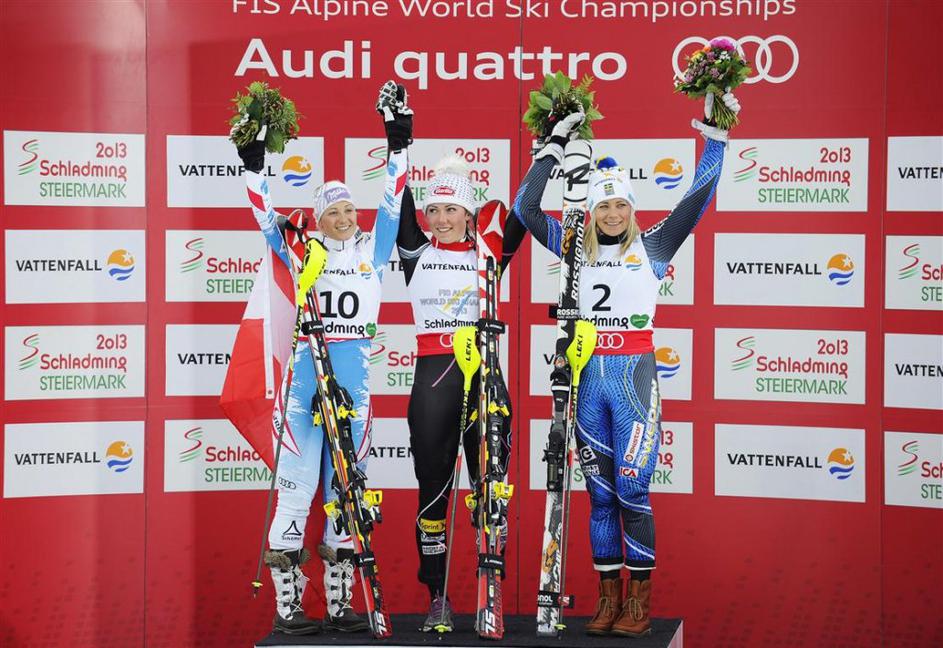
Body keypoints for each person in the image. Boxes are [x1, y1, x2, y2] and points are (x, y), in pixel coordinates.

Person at [514, 90, 741, 637]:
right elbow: (525, 209)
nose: (612, 214)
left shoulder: (655, 245)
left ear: (632, 209)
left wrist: (716, 135)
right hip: (588, 378)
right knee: (599, 496)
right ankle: (607, 598)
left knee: (633, 489)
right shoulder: (574, 247)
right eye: (602, 206)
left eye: (620, 205)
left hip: (634, 376)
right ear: (591, 211)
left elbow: (697, 196)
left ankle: (638, 602)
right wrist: (551, 148)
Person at [235, 81, 413, 635]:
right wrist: (253, 165)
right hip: (305, 384)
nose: (344, 217)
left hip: (354, 386)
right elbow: (265, 218)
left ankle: (339, 603)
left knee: (346, 492)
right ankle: (288, 606)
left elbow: (394, 198)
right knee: (295, 491)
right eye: (333, 211)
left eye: (348, 209)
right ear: (318, 218)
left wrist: (398, 141)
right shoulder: (300, 248)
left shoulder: (373, 250)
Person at [395, 146, 536, 631]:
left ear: (469, 213)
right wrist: (397, 143)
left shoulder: (489, 251)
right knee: (433, 493)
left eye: (451, 209)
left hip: (484, 378)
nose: (441, 219)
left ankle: (489, 586)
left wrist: (549, 149)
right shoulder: (417, 252)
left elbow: (525, 208)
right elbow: (399, 197)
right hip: (434, 382)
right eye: (433, 210)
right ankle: (437, 596)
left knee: (490, 488)